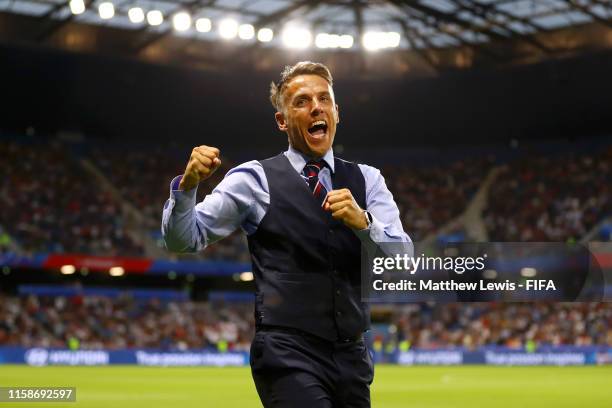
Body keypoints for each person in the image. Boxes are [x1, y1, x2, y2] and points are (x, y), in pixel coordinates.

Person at [162, 61, 410, 407]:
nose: (316, 108)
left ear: (337, 112)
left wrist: (365, 223)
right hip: (287, 353)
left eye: (324, 99)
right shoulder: (254, 179)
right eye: (302, 101)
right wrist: (187, 186)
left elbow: (403, 261)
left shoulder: (369, 181)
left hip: (353, 357)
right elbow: (183, 239)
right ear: (282, 120)